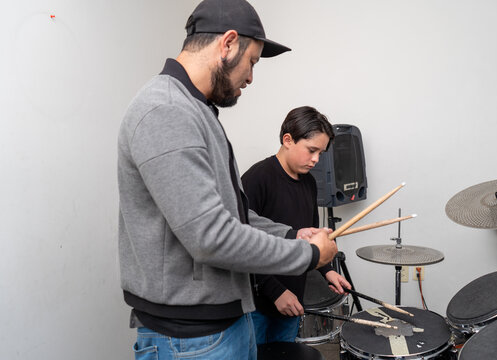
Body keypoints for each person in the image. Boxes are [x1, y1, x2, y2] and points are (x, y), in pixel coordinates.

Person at [117, 0, 338, 359]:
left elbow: (234, 216)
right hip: (190, 340)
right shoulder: (165, 111)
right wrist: (307, 253)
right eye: (251, 62)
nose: (251, 77)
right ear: (228, 43)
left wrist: (289, 234)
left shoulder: (196, 111)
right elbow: (210, 237)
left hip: (224, 325)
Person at [241, 106, 351, 344]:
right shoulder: (256, 178)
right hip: (258, 303)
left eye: (320, 153)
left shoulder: (309, 183)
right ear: (288, 140)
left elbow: (311, 237)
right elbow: (242, 246)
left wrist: (327, 270)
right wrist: (276, 292)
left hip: (294, 298)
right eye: (312, 150)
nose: (316, 160)